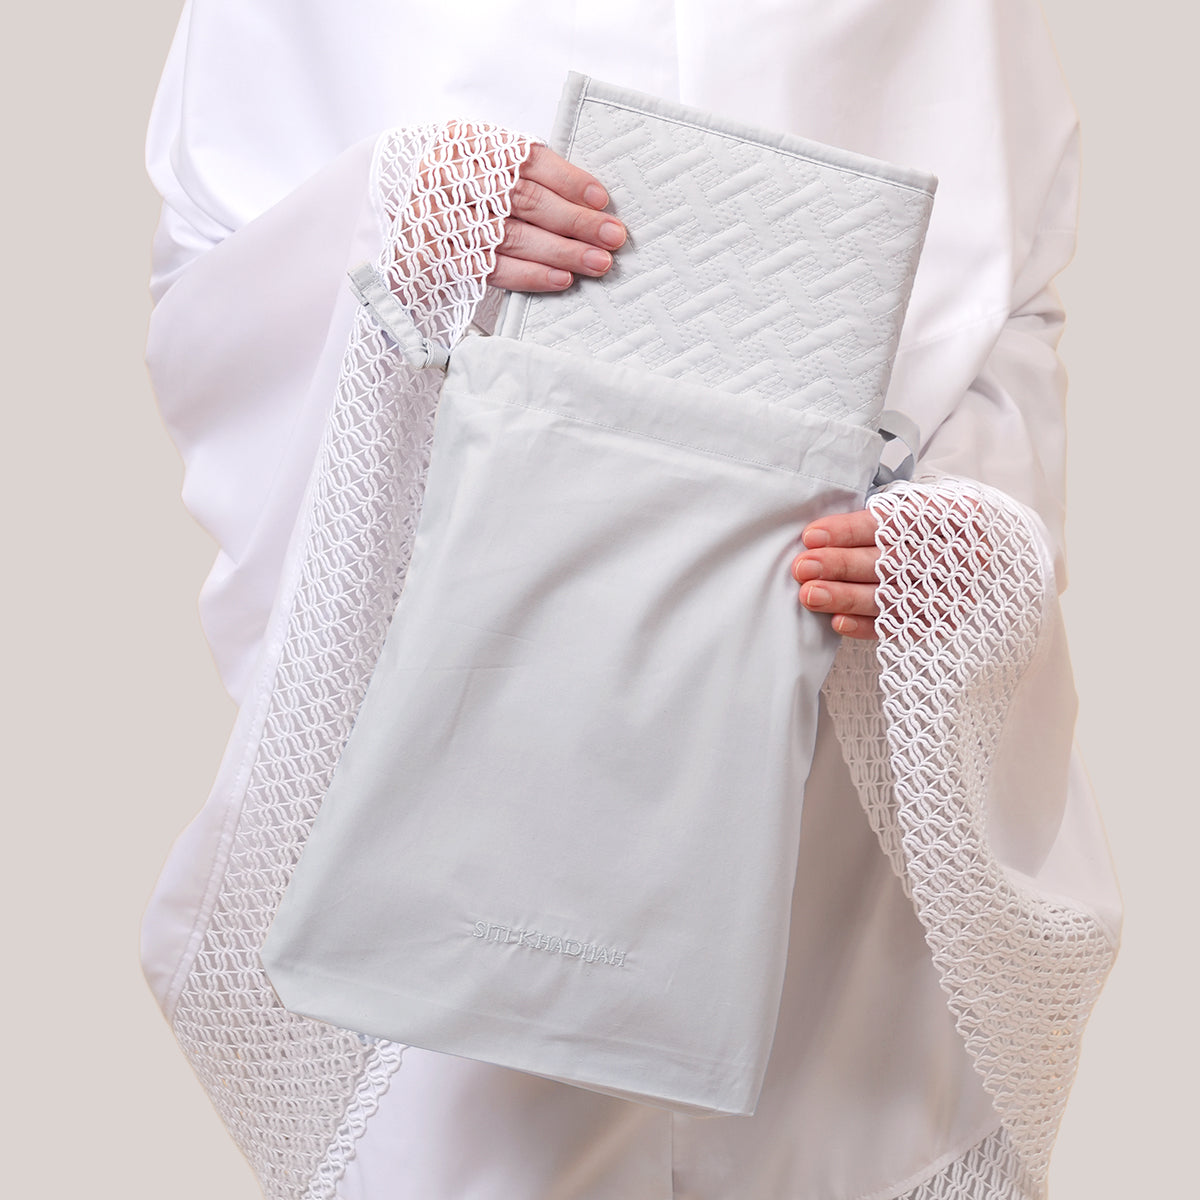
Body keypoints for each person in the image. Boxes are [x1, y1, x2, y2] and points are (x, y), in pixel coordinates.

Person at [141, 2, 1121, 1197]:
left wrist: (970, 533)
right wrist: (398, 224)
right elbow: (213, 276)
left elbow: (1005, 302)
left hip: (837, 769)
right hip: (473, 758)